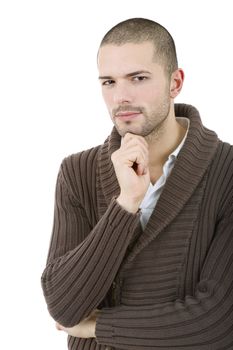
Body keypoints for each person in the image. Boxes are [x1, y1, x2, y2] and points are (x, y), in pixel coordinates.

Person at [41, 18, 233, 349]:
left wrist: (99, 326)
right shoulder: (77, 172)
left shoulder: (226, 170)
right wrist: (126, 203)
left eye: (138, 78)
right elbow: (64, 307)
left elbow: (216, 322)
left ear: (175, 83)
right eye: (109, 82)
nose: (121, 97)